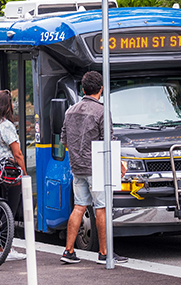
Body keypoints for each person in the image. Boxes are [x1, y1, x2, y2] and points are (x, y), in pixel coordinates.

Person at [60, 71, 128, 265]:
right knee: (101, 207)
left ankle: (68, 250)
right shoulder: (102, 111)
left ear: (83, 89)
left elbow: (64, 140)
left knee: (79, 206)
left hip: (77, 167)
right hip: (96, 168)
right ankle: (104, 253)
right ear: (101, 89)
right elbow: (108, 141)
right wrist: (119, 164)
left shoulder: (70, 111)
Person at [0, 90, 28, 261]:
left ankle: (4, 247)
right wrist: (24, 172)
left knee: (1, 209)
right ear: (7, 105)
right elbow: (17, 154)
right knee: (9, 209)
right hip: (9, 172)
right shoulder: (7, 125)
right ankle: (6, 250)